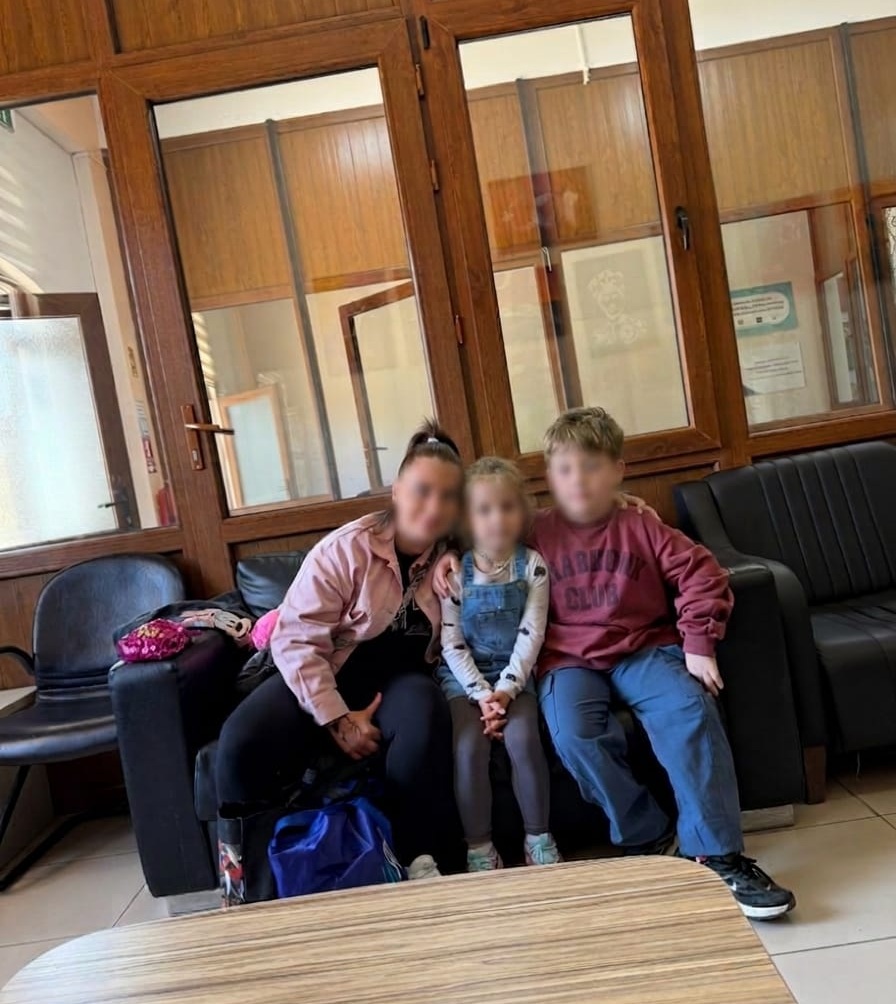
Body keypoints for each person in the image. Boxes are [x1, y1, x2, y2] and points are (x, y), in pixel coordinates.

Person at [436, 407, 795, 920]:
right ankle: (647, 835)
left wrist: (699, 642)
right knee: (574, 734)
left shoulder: (641, 526)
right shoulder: (534, 530)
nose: (578, 481)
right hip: (568, 659)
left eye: (592, 467)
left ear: (618, 471)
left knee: (690, 712)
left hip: (645, 649)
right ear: (549, 477)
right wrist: (450, 554)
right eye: (565, 469)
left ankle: (720, 856)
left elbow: (703, 574)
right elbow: (484, 530)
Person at [216, 420, 466, 899]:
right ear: (398, 491)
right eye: (422, 491)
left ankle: (417, 860)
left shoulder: (452, 551)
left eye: (448, 497)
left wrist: (455, 552)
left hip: (398, 682)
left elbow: (508, 524)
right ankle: (243, 885)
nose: (434, 507)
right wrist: (337, 719)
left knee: (424, 714)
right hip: (327, 671)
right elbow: (296, 639)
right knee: (239, 741)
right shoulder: (346, 549)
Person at [436, 457, 560, 871]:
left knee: (523, 738)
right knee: (469, 746)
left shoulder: (533, 566)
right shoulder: (456, 574)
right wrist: (482, 695)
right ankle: (479, 847)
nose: (497, 519)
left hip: (516, 674)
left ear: (522, 511)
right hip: (464, 679)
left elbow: (531, 634)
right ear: (467, 519)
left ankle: (538, 838)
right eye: (484, 510)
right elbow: (452, 643)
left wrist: (506, 690)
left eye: (507, 507)